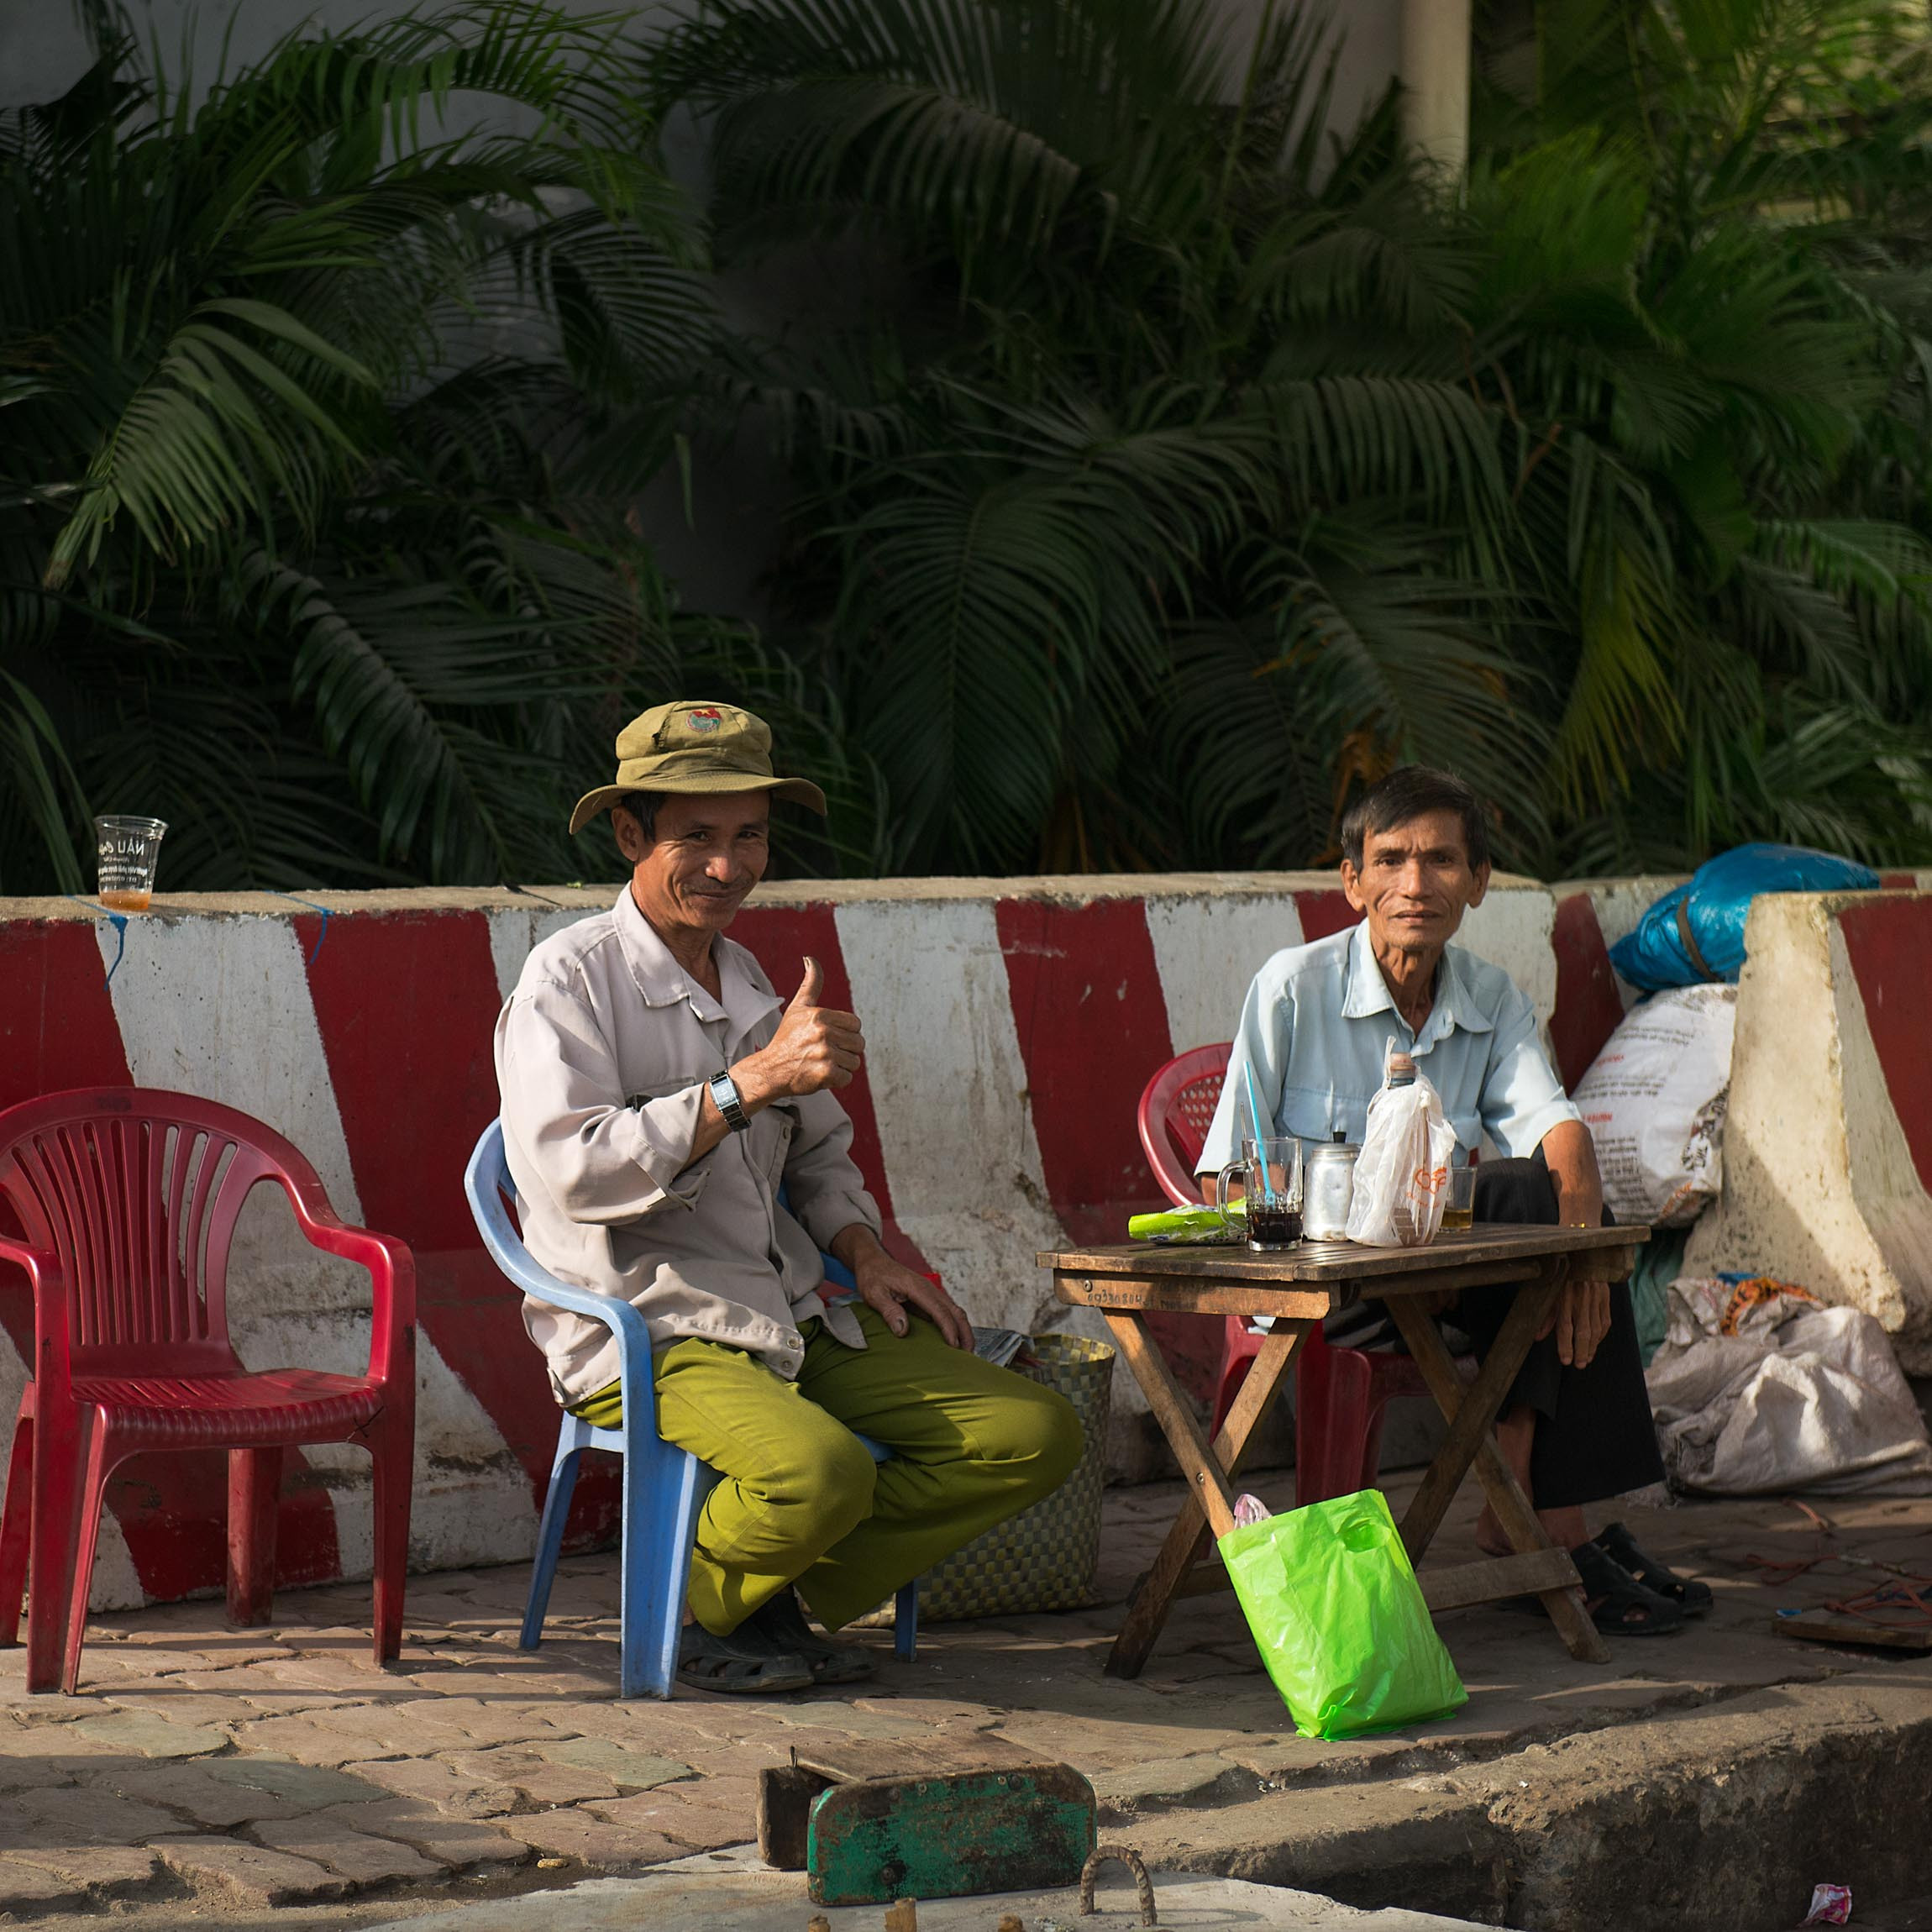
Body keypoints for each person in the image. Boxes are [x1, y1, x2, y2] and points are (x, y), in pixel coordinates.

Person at [496, 700, 1082, 1693]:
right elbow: (569, 1171)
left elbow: (813, 1161)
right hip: (650, 1325)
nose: (727, 867)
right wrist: (742, 1086)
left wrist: (866, 1249)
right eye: (696, 837)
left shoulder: (749, 975)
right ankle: (699, 1595)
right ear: (632, 832)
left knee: (1032, 1432)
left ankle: (761, 1588)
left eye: (750, 836)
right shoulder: (568, 978)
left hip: (786, 1310)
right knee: (823, 1470)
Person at [1197, 765, 1709, 1635]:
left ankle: (1528, 1517)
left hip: (1446, 1284)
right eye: (1389, 857)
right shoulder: (1291, 987)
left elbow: (1564, 1137)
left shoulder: (1489, 996)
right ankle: (1542, 1524)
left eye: (1439, 859)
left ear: (1476, 882)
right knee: (1520, 1199)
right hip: (1331, 1290)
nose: (1413, 883)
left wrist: (1585, 1262)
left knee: (1556, 1217)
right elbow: (1224, 1180)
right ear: (1350, 879)